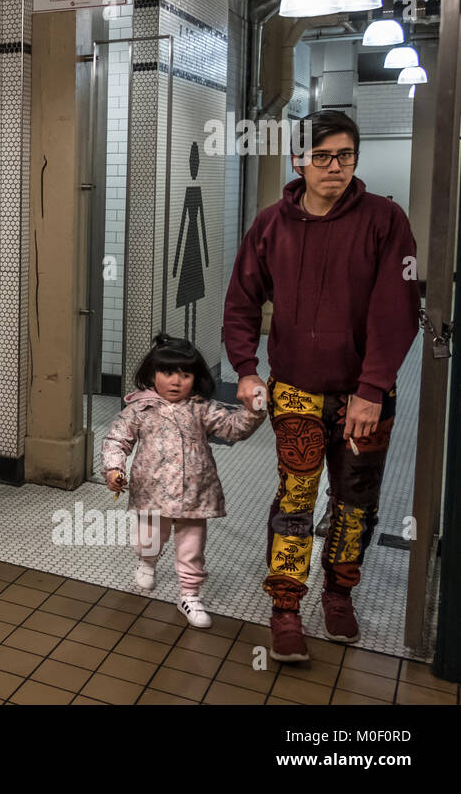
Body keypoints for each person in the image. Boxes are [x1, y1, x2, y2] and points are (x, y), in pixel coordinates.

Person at [224, 108, 420, 661]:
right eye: (322, 156)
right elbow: (241, 301)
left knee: (356, 502)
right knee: (296, 496)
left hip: (366, 394)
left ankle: (339, 593)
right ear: (298, 160)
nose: (335, 167)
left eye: (346, 156)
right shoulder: (270, 225)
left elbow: (397, 310)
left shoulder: (385, 220)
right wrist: (245, 368)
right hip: (296, 390)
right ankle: (286, 606)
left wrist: (373, 388)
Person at [101, 334, 266, 628]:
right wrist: (114, 469)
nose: (176, 382)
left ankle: (189, 595)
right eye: (167, 373)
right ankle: (147, 562)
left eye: (185, 374)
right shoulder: (139, 409)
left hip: (195, 493)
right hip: (151, 492)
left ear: (196, 378)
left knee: (192, 548)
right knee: (148, 539)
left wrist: (254, 411)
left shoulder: (203, 407)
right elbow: (116, 440)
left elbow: (232, 429)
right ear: (152, 375)